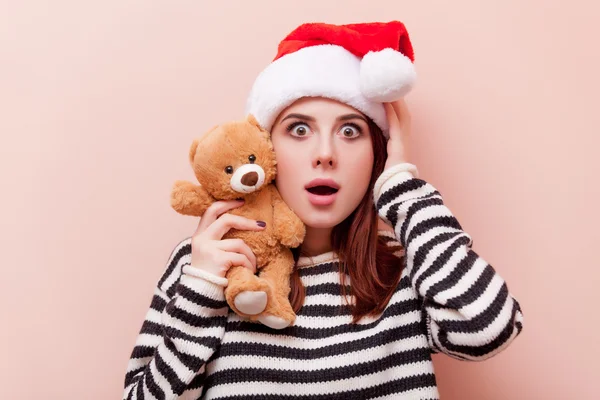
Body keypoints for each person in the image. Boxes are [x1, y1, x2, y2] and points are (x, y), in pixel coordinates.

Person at [122, 21, 524, 399]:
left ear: (376, 155)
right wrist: (202, 290)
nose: (326, 154)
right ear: (265, 151)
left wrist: (402, 186)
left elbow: (487, 328)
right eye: (299, 129)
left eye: (350, 131)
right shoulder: (203, 266)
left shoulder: (407, 265)